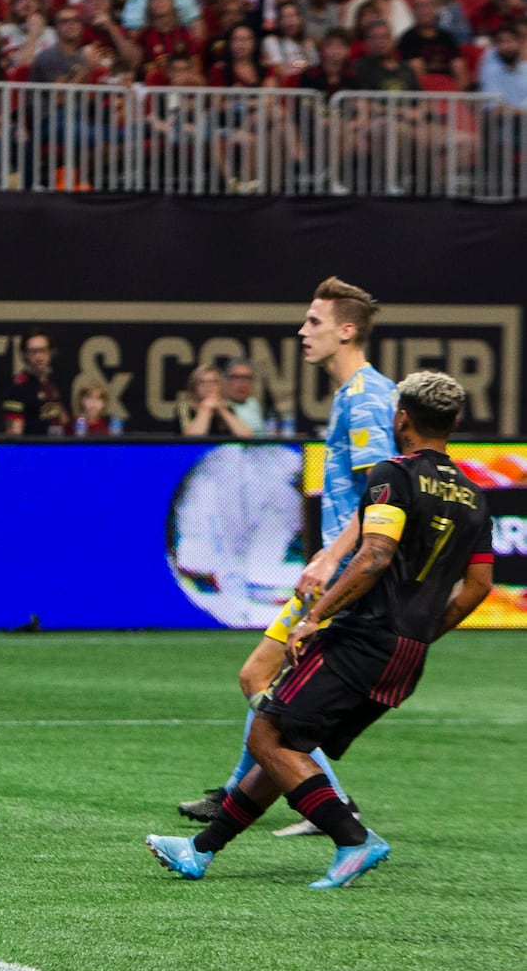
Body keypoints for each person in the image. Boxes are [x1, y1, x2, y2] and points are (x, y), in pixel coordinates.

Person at [149, 370, 492, 889]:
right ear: (455, 422)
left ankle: (353, 839)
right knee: (290, 742)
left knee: (267, 734)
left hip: (362, 638)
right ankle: (200, 850)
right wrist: (423, 633)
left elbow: (374, 554)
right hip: (407, 652)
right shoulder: (473, 495)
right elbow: (478, 587)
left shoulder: (393, 475)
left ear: (401, 418)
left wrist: (316, 615)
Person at [176, 277, 396, 838]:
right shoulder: (350, 395)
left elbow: (381, 499)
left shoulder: (368, 397)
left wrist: (328, 561)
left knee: (271, 683)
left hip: (346, 578)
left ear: (346, 331)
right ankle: (300, 796)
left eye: (314, 322)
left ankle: (322, 804)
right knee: (264, 678)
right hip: (333, 570)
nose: (302, 331)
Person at [2, 329, 69, 435]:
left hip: (59, 447)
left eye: (43, 350)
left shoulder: (57, 381)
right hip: (32, 449)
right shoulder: (17, 388)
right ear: (23, 355)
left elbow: (65, 420)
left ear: (51, 352)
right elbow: (13, 433)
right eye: (33, 351)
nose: (38, 356)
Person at [176, 363, 254, 437]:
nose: (208, 387)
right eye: (202, 382)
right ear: (194, 388)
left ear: (220, 386)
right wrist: (205, 409)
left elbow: (246, 436)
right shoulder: (185, 408)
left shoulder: (228, 406)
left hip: (223, 450)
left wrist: (221, 409)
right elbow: (193, 439)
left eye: (213, 382)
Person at [478, 20, 527, 108]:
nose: (506, 47)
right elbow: (494, 105)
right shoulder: (490, 67)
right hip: (497, 119)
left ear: (519, 43)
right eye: (501, 42)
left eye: (510, 41)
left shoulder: (524, 69)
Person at [221, 357, 267, 434]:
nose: (242, 383)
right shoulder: (220, 406)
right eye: (237, 377)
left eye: (247, 378)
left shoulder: (253, 403)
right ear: (225, 381)